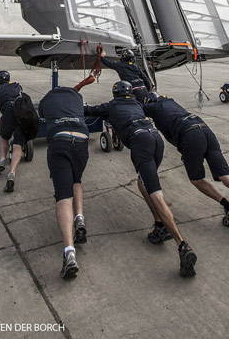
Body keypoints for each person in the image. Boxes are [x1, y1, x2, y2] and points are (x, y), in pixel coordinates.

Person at [84, 81, 197, 278]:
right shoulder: (137, 104)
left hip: (140, 141)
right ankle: (159, 225)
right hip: (155, 139)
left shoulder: (111, 105)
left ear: (115, 93)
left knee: (155, 193)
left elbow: (90, 110)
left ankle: (182, 245)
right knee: (142, 183)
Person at [138, 92, 229, 246]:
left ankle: (228, 206)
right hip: (204, 129)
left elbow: (137, 109)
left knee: (196, 179)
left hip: (189, 135)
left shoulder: (152, 107)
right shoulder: (171, 102)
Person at [38, 84, 89, 279]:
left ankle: (69, 252)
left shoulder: (46, 99)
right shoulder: (76, 97)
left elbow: (42, 115)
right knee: (77, 180)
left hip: (60, 140)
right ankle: (80, 218)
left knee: (63, 195)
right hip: (82, 139)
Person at [0, 70, 30, 192]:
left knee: (4, 137)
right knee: (17, 145)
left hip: (7, 116)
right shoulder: (17, 86)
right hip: (21, 115)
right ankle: (12, 173)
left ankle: (2, 160)